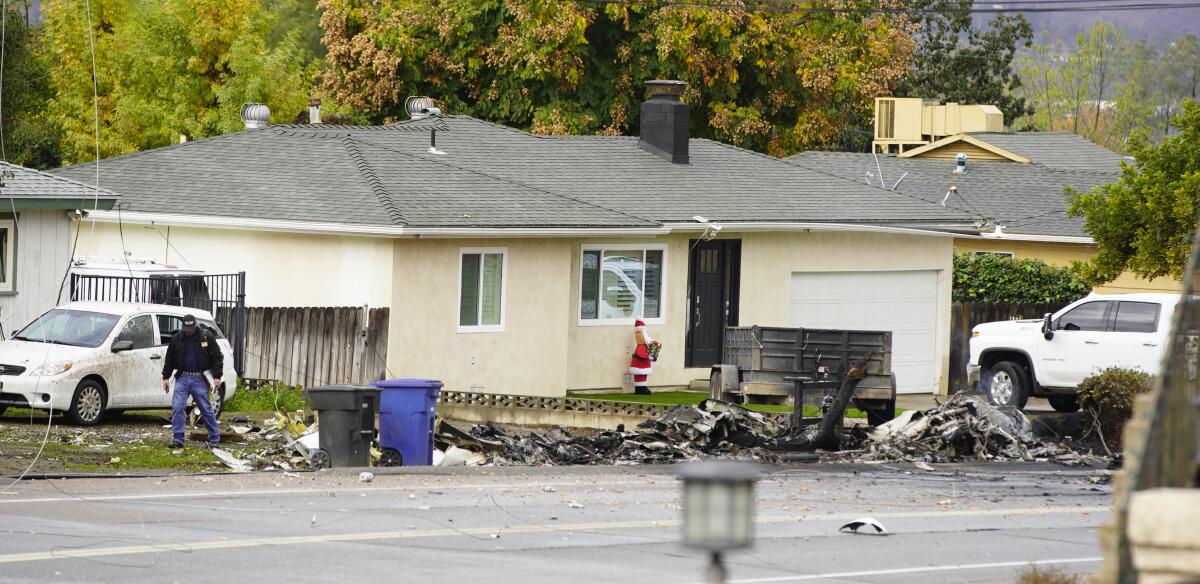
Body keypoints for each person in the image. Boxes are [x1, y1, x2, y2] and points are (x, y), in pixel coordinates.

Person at [162, 315, 223, 448]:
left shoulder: (206, 337)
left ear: (195, 325)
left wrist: (217, 376)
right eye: (186, 327)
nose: (188, 330)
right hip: (182, 377)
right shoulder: (176, 339)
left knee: (206, 409)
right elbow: (169, 359)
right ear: (182, 326)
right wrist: (165, 377)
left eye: (190, 327)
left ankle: (214, 437)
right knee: (177, 407)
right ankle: (178, 438)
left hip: (200, 378)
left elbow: (217, 356)